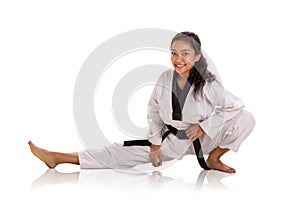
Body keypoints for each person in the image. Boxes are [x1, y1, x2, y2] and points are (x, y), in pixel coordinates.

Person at [28, 31, 255, 173]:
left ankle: (214, 158)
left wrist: (204, 126)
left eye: (185, 53)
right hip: (171, 141)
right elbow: (154, 112)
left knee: (246, 118)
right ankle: (58, 158)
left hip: (202, 139)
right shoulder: (165, 79)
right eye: (174, 53)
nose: (178, 59)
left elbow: (235, 106)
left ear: (197, 56)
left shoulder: (207, 83)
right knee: (119, 153)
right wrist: (155, 145)